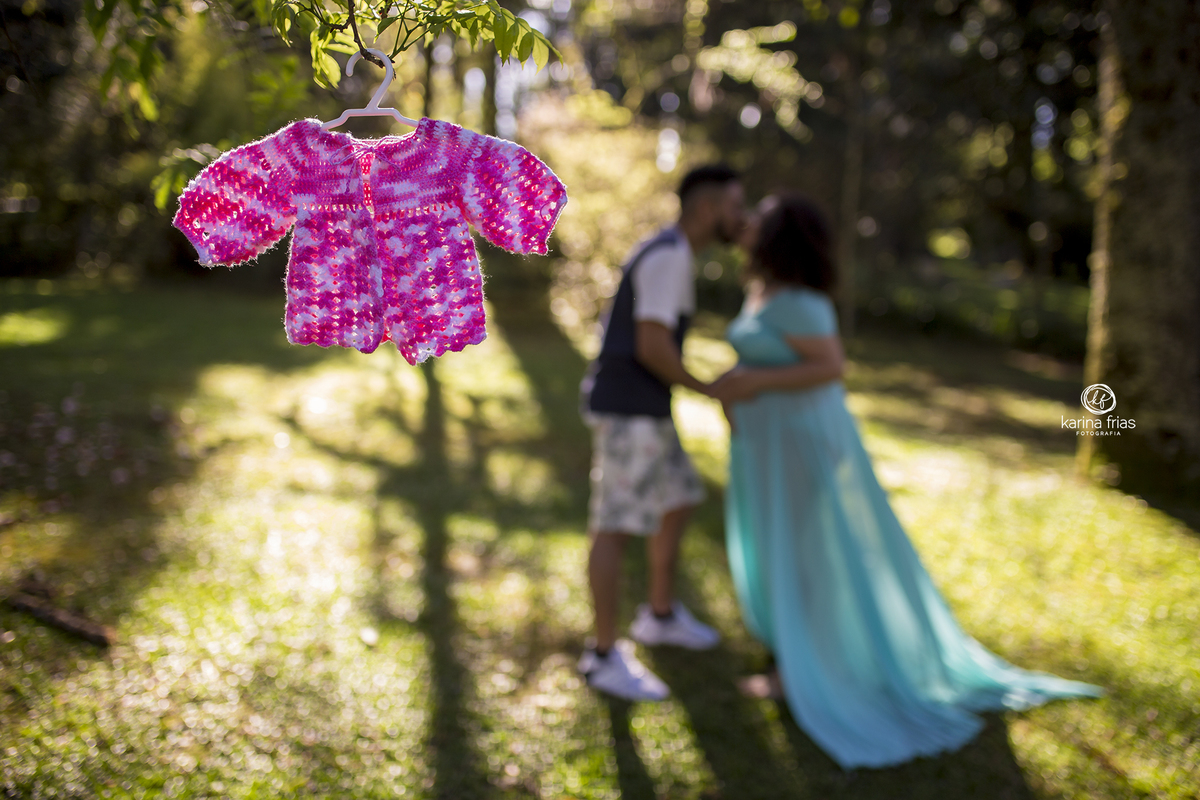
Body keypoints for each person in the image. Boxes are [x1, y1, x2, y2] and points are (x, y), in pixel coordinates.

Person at [712, 194, 1103, 768]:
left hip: (803, 445)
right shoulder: (764, 291)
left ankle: (803, 672)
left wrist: (752, 384)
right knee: (780, 551)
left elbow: (829, 368)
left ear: (780, 237)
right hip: (766, 446)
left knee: (803, 556)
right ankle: (794, 663)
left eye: (759, 221)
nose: (746, 226)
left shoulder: (802, 302)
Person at [576, 165, 745, 702]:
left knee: (680, 496)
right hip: (631, 412)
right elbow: (651, 345)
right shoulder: (671, 255)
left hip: (644, 408)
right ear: (707, 209)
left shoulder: (670, 251)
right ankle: (604, 656)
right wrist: (709, 388)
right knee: (615, 526)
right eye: (735, 207)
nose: (741, 218)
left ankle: (660, 614)